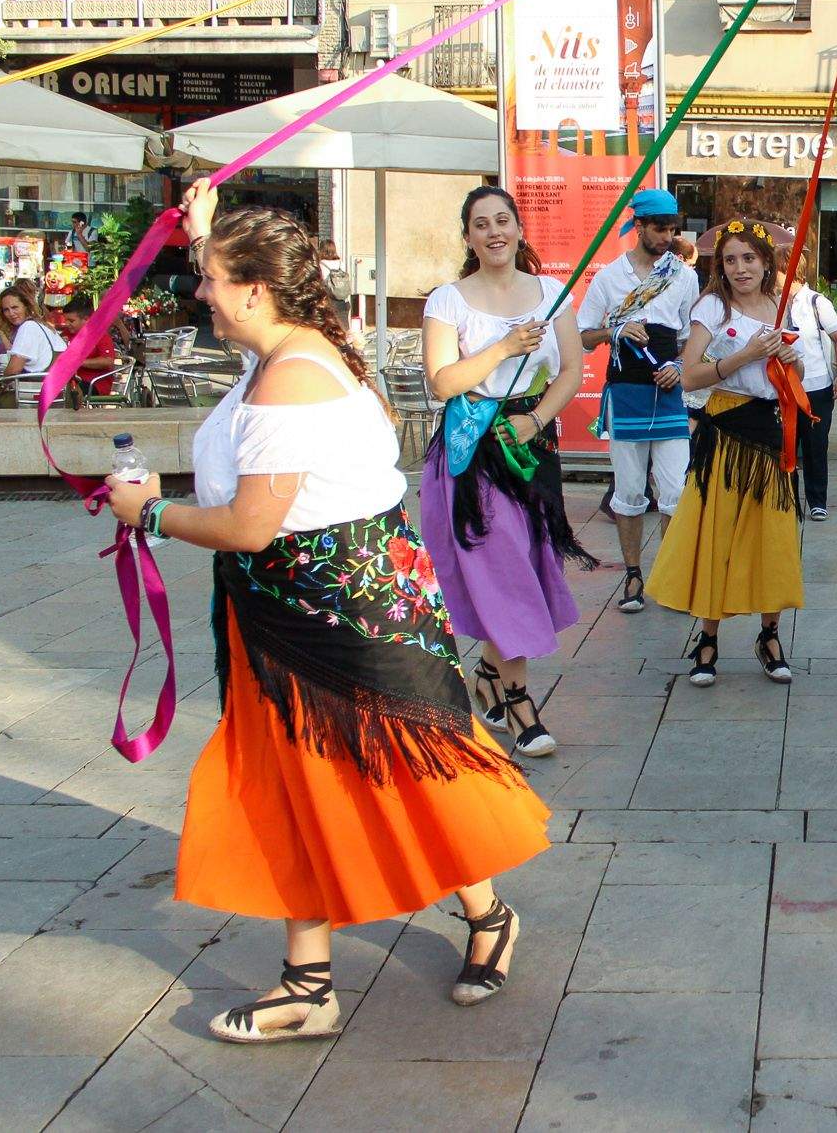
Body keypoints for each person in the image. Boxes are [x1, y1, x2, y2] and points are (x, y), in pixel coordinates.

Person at [103, 179, 548, 1043]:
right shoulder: (288, 346)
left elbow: (249, 525)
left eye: (211, 280)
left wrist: (150, 513)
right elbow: (254, 323)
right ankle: (307, 982)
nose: (201, 294)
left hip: (343, 609)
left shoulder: (291, 380)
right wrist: (207, 232)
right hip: (292, 609)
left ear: (255, 291)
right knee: (294, 783)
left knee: (411, 774)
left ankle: (489, 913)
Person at [420, 186, 593, 759]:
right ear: (467, 237)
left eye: (502, 220)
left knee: (529, 565)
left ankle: (488, 676)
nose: (494, 232)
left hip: (531, 446)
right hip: (475, 451)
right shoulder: (449, 300)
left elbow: (571, 370)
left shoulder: (551, 294)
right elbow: (442, 383)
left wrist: (536, 420)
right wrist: (502, 348)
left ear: (519, 228)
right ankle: (519, 703)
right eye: (481, 224)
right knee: (507, 569)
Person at [647, 219, 806, 684]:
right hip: (726, 435)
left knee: (772, 538)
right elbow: (688, 375)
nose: (740, 268)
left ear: (766, 262)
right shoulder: (713, 307)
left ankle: (769, 635)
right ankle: (708, 638)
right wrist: (745, 355)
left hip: (771, 433)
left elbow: (791, 378)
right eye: (731, 260)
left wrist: (791, 361)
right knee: (718, 535)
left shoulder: (780, 307)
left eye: (749, 258)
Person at [579, 189, 700, 612]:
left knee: (676, 491)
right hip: (626, 394)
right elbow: (582, 335)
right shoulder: (609, 277)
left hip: (668, 394)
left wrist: (680, 367)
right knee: (630, 491)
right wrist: (615, 331)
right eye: (660, 228)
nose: (667, 237)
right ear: (640, 226)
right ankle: (633, 574)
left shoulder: (683, 277)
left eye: (672, 229)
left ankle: (668, 577)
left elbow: (692, 337)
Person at [784, 248, 837, 520]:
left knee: (815, 445)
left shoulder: (816, 302)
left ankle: (817, 500)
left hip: (816, 386)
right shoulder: (772, 301)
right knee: (785, 445)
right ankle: (787, 500)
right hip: (782, 388)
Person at [0, 282, 68, 405]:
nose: (11, 313)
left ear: (26, 306)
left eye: (15, 307)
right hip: (63, 396)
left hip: (39, 398)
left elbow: (13, 370)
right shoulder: (44, 326)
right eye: (6, 310)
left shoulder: (28, 327)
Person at [52, 293, 123, 397]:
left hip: (94, 383)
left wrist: (78, 362)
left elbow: (108, 362)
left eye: (71, 321)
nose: (67, 324)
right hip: (70, 381)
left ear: (86, 319)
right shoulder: (66, 334)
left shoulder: (100, 335)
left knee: (65, 391)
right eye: (65, 320)